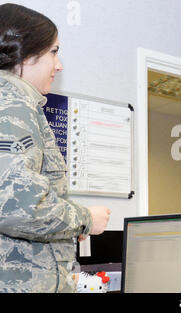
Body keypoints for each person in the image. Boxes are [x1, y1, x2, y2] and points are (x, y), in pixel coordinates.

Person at [0, 3, 111, 292]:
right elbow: (16, 205)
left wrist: (67, 220)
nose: (58, 65)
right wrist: (86, 219)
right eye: (54, 51)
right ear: (28, 52)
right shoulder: (12, 103)